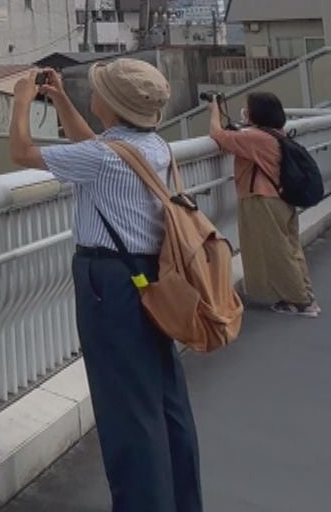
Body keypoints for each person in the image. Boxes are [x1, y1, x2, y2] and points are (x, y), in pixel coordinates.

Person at [12, 59, 199, 512]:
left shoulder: (102, 157)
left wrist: (20, 102)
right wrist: (58, 99)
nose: (89, 95)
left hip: (110, 281)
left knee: (125, 408)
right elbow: (94, 145)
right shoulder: (152, 147)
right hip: (153, 274)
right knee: (163, 395)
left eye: (94, 90)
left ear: (110, 105)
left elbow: (22, 153)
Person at [208, 93, 317, 316]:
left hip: (262, 199)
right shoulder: (276, 134)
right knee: (290, 248)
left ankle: (301, 301)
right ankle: (302, 294)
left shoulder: (256, 138)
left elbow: (217, 136)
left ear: (256, 112)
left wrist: (213, 110)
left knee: (278, 251)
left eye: (248, 108)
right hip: (281, 199)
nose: (245, 112)